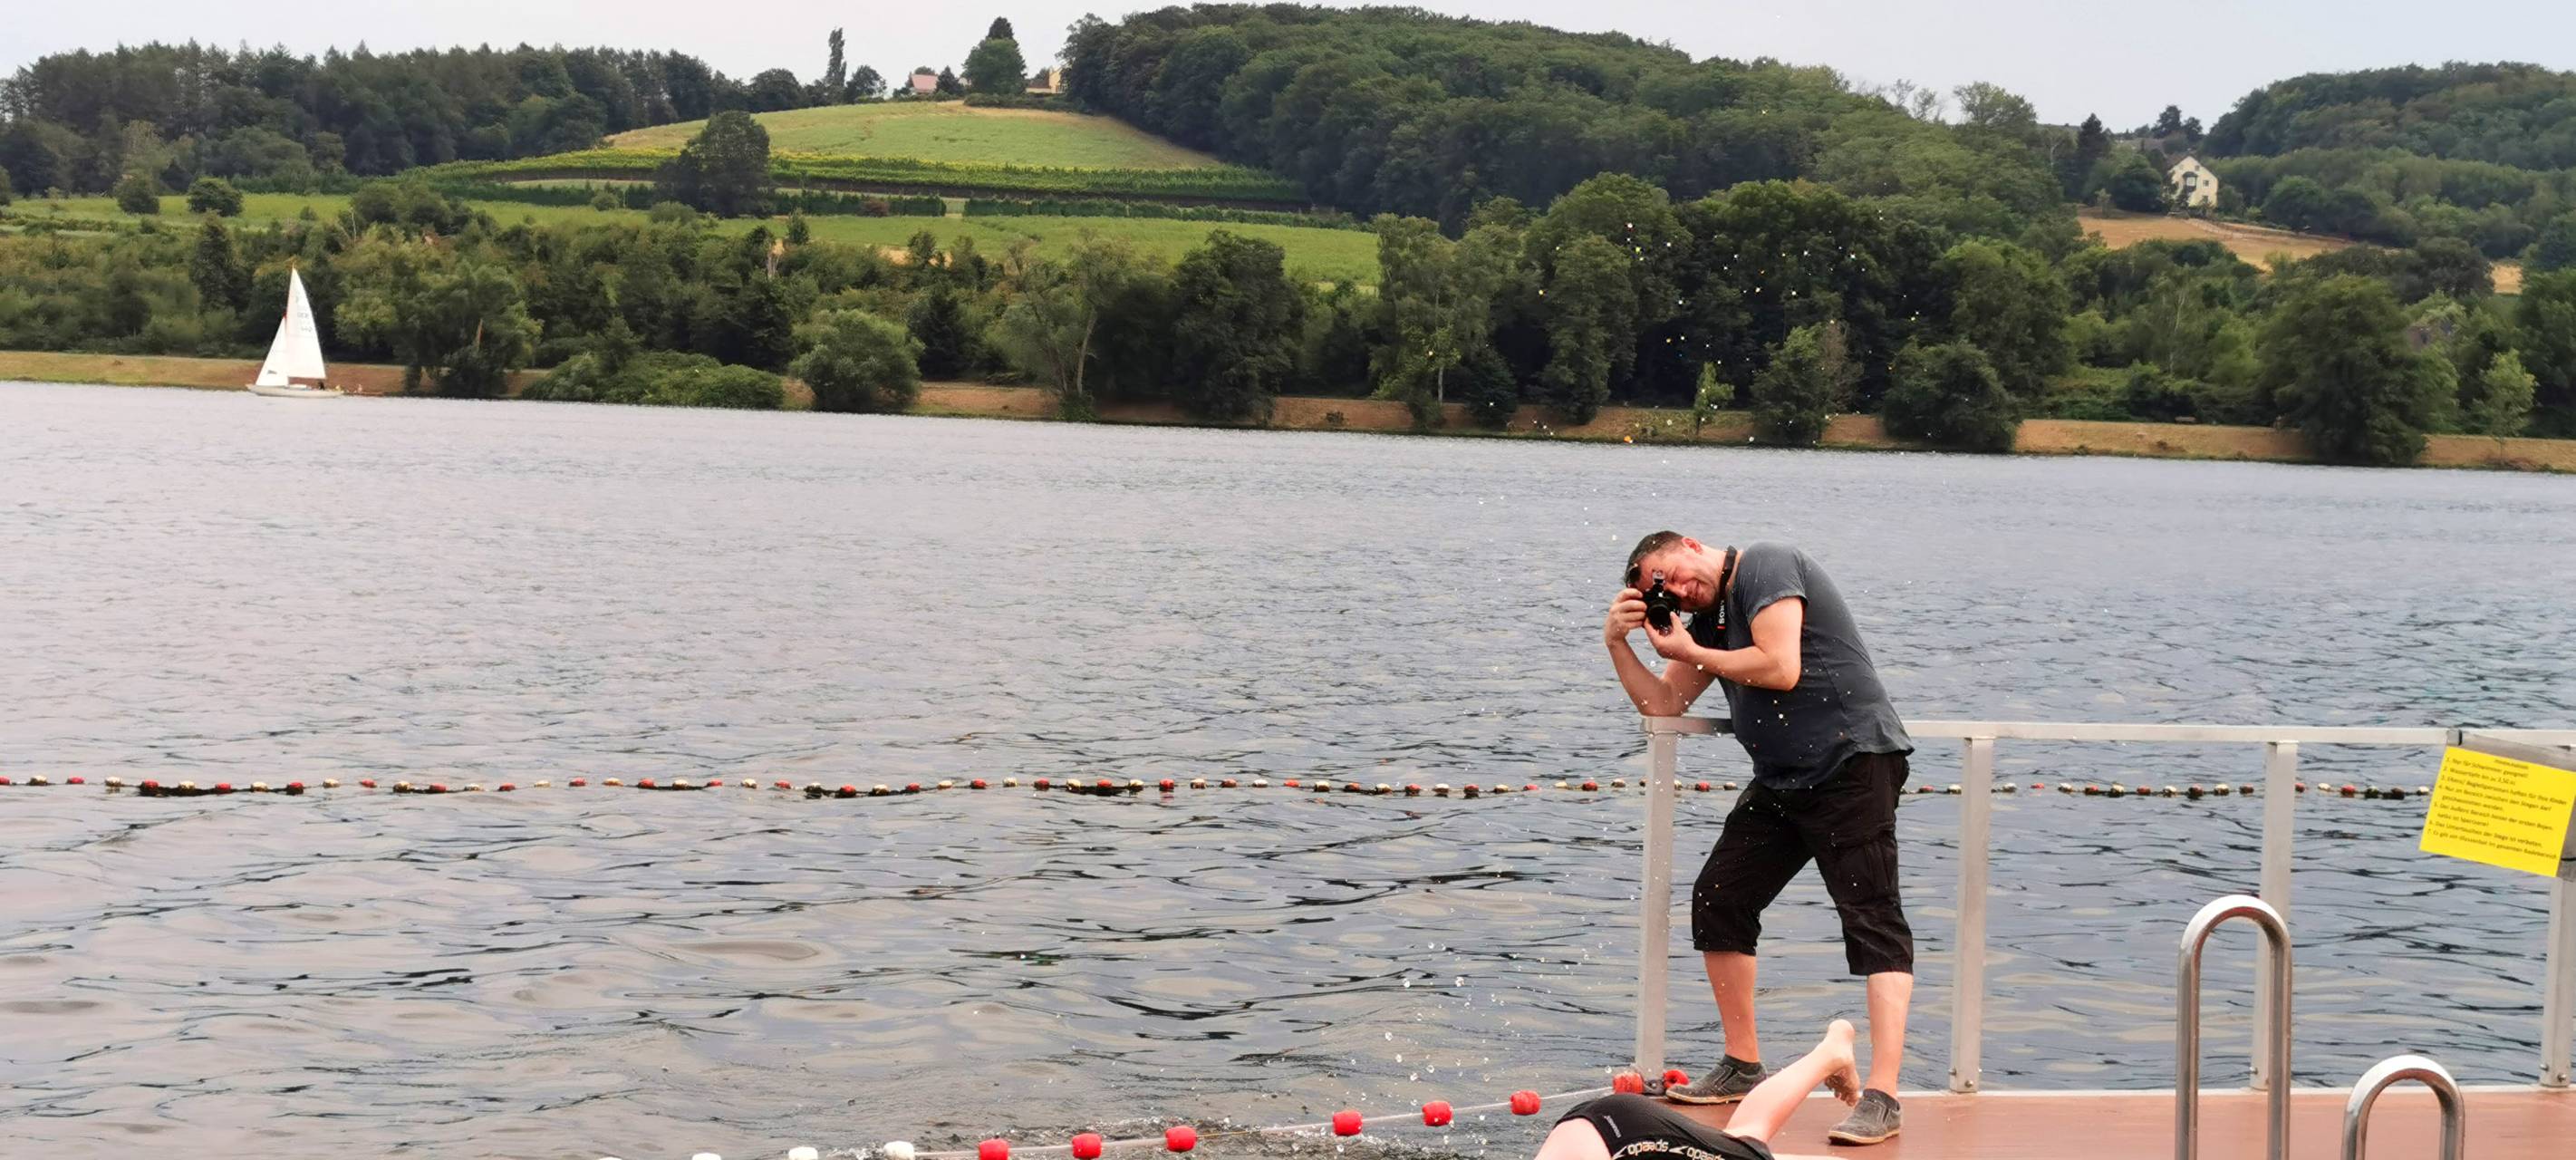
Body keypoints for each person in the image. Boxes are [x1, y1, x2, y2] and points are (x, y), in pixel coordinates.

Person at [1601, 534, 1914, 1146]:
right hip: (1781, 781)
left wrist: (1692, 646)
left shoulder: (1765, 565)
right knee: (1720, 898)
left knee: (1872, 919)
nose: (1679, 592)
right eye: (1659, 592)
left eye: (1674, 575)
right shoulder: (1705, 622)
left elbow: (1779, 665)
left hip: (1852, 764)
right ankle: (1743, 1064)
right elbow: (1663, 703)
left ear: (1691, 545)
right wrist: (1617, 643)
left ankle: (1883, 1095)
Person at [1538, 1020, 1864, 1160]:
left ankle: (1832, 1051)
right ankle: (1829, 1053)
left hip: (1623, 1134)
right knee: (1739, 1139)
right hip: (1594, 1126)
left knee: (1747, 1152)